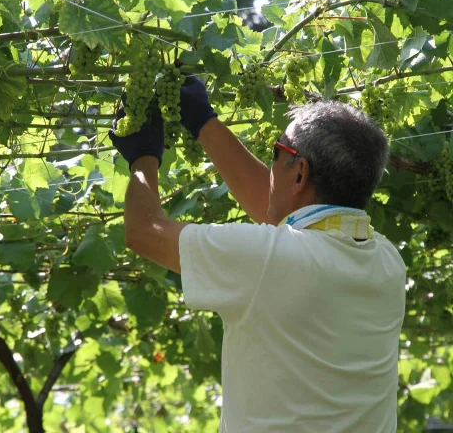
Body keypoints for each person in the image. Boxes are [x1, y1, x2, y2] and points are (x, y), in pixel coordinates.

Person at [109, 76, 406, 432]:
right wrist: (204, 123)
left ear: (299, 174)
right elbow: (275, 213)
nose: (270, 164)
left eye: (276, 152)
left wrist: (143, 157)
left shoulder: (268, 260)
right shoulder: (387, 261)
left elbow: (144, 231)